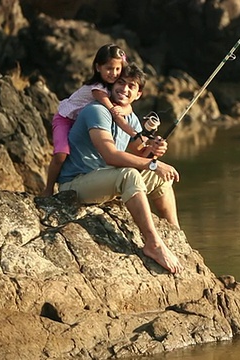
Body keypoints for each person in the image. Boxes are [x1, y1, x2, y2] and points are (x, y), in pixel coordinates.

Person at [57, 63, 183, 274]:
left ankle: (177, 237)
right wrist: (153, 164)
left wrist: (154, 151)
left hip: (104, 180)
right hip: (76, 183)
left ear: (138, 94)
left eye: (131, 86)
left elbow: (138, 154)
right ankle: (153, 244)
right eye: (120, 82)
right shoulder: (96, 111)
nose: (124, 88)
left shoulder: (130, 119)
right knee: (130, 175)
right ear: (111, 85)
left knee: (162, 179)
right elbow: (111, 155)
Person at [41, 44, 138, 197]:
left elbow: (128, 108)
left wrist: (126, 114)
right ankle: (48, 188)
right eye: (109, 68)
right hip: (65, 118)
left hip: (80, 118)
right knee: (61, 155)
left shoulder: (114, 85)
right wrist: (123, 117)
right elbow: (113, 111)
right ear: (98, 67)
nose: (113, 73)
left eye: (117, 69)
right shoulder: (97, 88)